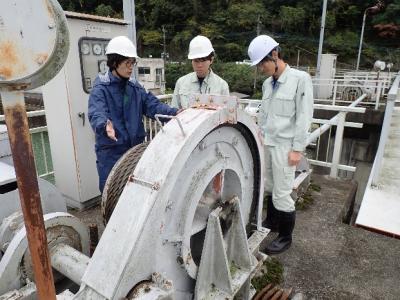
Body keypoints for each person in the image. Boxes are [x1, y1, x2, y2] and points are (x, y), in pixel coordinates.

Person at [247, 35, 313, 254]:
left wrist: (297, 149)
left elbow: (304, 117)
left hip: (286, 147)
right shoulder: (267, 84)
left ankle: (285, 237)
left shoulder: (300, 79)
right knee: (268, 187)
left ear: (275, 55)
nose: (261, 69)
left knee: (282, 192)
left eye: (262, 63)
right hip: (267, 144)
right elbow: (264, 116)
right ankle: (272, 222)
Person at [88, 36, 180, 193]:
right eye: (127, 63)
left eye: (133, 63)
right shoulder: (101, 88)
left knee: (135, 192)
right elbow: (96, 111)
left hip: (134, 152)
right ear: (114, 62)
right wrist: (104, 124)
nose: (131, 68)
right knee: (112, 194)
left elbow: (154, 106)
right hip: (111, 153)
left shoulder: (135, 88)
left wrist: (176, 113)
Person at [171, 35, 229, 109]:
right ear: (191, 61)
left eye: (203, 61)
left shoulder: (222, 85)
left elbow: (226, 115)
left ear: (211, 60)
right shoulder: (181, 82)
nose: (199, 65)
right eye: (196, 61)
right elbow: (174, 110)